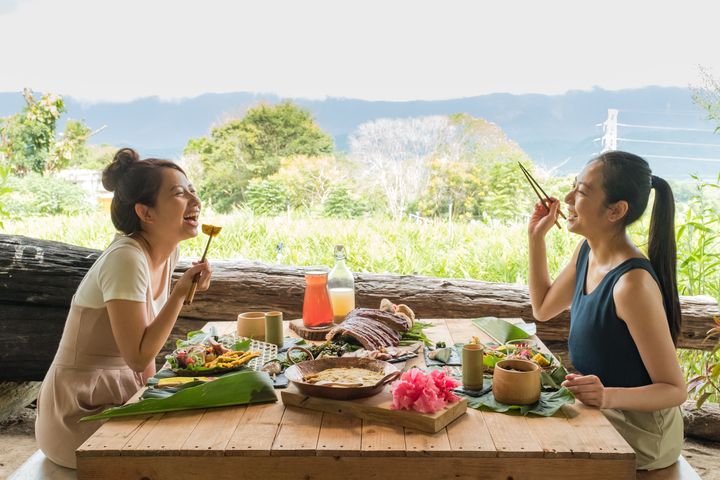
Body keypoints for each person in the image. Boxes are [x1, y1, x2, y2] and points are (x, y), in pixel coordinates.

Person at [35, 148, 212, 468]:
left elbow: (145, 359)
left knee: (210, 413)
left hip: (122, 395)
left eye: (192, 191)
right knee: (194, 444)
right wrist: (179, 295)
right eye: (178, 193)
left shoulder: (165, 252)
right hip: (78, 412)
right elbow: (138, 355)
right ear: (146, 212)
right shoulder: (126, 258)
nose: (194, 201)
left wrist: (153, 396)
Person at [527, 151, 686, 470]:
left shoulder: (632, 286)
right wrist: (535, 238)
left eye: (583, 191)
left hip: (640, 431)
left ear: (616, 210)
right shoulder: (587, 250)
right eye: (574, 186)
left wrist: (606, 396)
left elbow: (674, 390)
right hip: (599, 409)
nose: (568, 197)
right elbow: (543, 308)